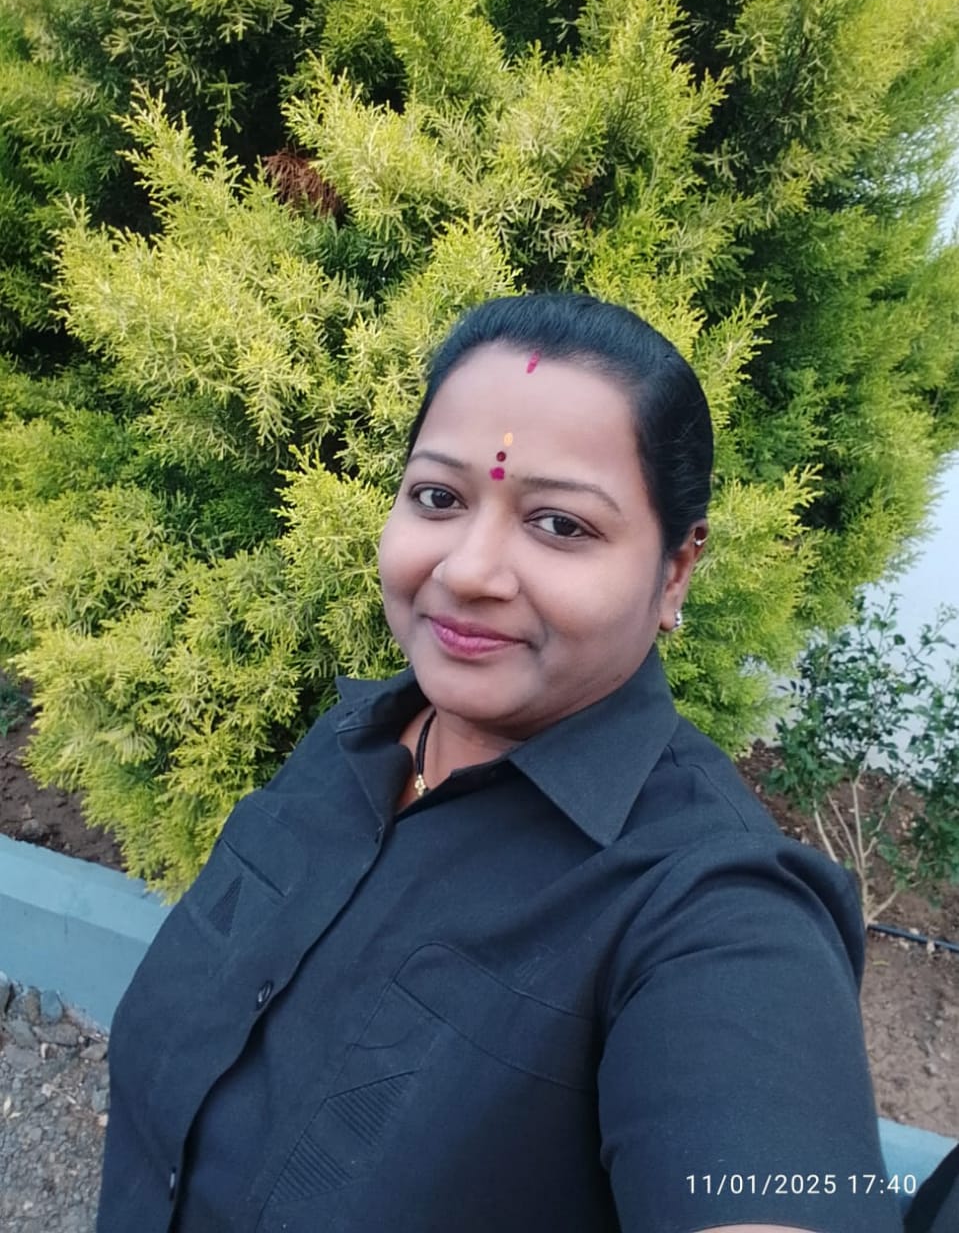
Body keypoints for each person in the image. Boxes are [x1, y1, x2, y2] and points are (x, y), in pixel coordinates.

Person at [97, 293, 903, 1233]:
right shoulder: (356, 739)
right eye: (438, 498)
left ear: (675, 572)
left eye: (560, 524)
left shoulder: (713, 914)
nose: (468, 570)